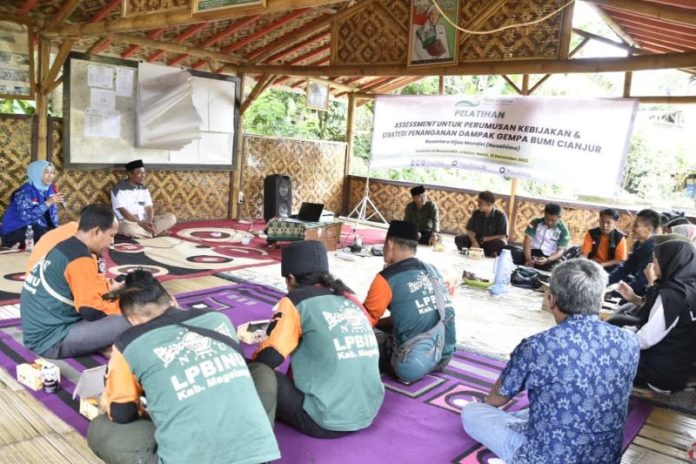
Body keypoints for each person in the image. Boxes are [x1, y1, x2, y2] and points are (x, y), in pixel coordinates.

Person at [88, 270, 280, 464]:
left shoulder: (128, 344)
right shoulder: (219, 319)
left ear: (132, 320)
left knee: (100, 428)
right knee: (261, 372)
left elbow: (123, 413)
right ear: (172, 300)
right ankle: (252, 443)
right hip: (253, 456)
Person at [461, 259, 639, 463]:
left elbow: (498, 399)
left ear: (551, 299)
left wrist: (486, 405)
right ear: (600, 301)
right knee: (546, 409)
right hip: (604, 457)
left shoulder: (538, 345)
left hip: (546, 457)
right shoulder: (629, 341)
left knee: (473, 412)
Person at [254, 240, 384, 438]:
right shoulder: (350, 298)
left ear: (291, 278)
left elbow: (269, 358)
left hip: (325, 420)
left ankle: (254, 440)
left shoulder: (296, 301)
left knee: (253, 372)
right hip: (368, 411)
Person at [20, 204, 129, 358]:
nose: (112, 242)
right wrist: (128, 306)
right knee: (132, 318)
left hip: (40, 331)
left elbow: (89, 288)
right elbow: (91, 310)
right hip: (51, 341)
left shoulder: (66, 246)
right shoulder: (80, 259)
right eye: (111, 235)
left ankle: (100, 344)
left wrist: (112, 291)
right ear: (96, 231)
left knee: (124, 308)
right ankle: (104, 345)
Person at [363, 220, 456, 383]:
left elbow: (363, 323)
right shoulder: (432, 270)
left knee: (357, 338)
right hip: (443, 354)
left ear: (390, 244)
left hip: (410, 363)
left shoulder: (386, 278)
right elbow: (412, 314)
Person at [613, 240, 696, 393]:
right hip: (678, 368)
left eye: (657, 259)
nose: (653, 263)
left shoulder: (671, 296)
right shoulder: (689, 289)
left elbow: (645, 340)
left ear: (671, 262)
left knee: (604, 360)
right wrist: (634, 298)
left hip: (658, 373)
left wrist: (614, 339)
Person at [1, 160, 64, 248]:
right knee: (41, 233)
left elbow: (53, 217)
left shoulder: (50, 189)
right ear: (36, 173)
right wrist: (48, 202)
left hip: (39, 229)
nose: (50, 176)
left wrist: (57, 230)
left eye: (52, 173)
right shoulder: (24, 192)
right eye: (46, 172)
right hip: (15, 231)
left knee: (64, 233)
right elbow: (27, 217)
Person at [111, 160, 176, 239]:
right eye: (139, 173)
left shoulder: (144, 188)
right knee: (128, 228)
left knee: (171, 218)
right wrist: (142, 225)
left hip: (144, 221)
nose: (143, 175)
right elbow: (124, 212)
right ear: (130, 174)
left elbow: (149, 207)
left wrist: (149, 222)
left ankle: (147, 233)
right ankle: (154, 233)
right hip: (127, 222)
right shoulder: (118, 189)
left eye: (144, 173)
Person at [608, 209, 660, 296]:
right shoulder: (638, 244)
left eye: (636, 225)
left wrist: (614, 292)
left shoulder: (653, 250)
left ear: (649, 229)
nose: (632, 228)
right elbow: (626, 267)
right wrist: (606, 280)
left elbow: (641, 282)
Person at [508, 203, 569, 270]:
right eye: (547, 219)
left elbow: (560, 251)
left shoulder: (564, 231)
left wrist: (547, 260)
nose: (549, 222)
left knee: (559, 267)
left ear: (559, 218)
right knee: (507, 253)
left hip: (550, 257)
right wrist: (528, 259)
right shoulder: (535, 222)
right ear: (544, 214)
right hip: (532, 254)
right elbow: (527, 240)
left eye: (552, 220)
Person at [454, 191, 508, 257]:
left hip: (489, 242)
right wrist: (474, 241)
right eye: (478, 202)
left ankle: (474, 250)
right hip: (477, 240)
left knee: (500, 244)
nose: (478, 204)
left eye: (480, 203)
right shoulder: (477, 213)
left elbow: (502, 235)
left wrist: (485, 239)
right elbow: (469, 229)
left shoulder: (501, 216)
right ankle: (484, 252)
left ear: (489, 204)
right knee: (459, 238)